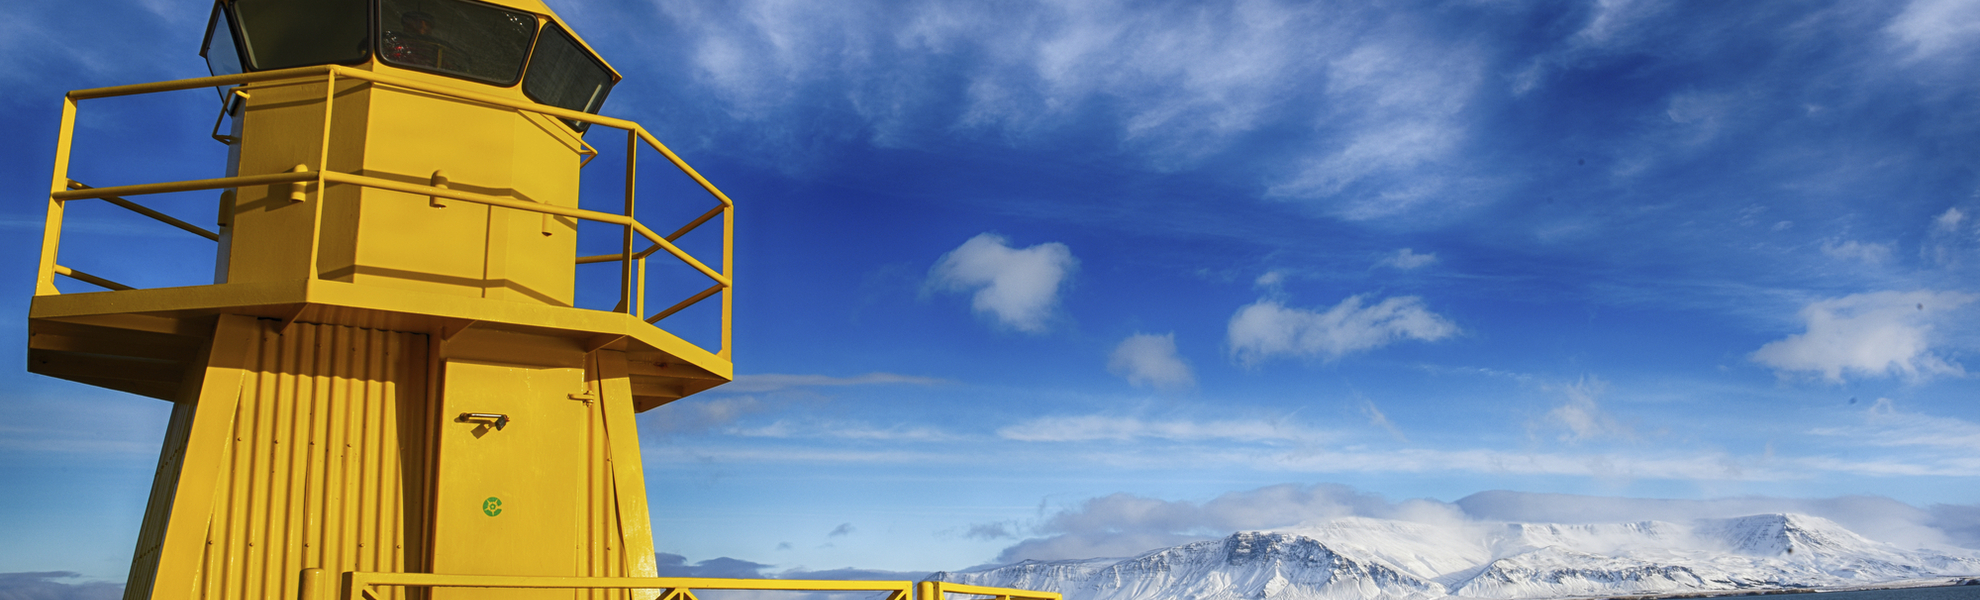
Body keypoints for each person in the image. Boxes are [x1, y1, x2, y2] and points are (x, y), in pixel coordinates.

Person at [382, 10, 455, 69]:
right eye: (416, 24)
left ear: (430, 29)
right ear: (405, 26)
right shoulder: (393, 41)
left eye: (425, 25)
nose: (421, 28)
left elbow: (447, 67)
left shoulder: (439, 48)